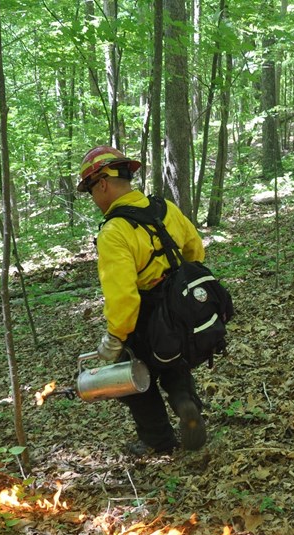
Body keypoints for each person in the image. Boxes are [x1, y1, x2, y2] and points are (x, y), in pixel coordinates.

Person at [77, 145, 207, 455]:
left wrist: (115, 339)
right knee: (174, 363)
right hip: (178, 309)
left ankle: (159, 442)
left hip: (144, 318)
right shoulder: (166, 208)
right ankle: (185, 404)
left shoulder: (114, 231)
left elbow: (123, 296)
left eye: (91, 191)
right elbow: (195, 252)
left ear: (103, 183)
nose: (93, 200)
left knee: (134, 381)